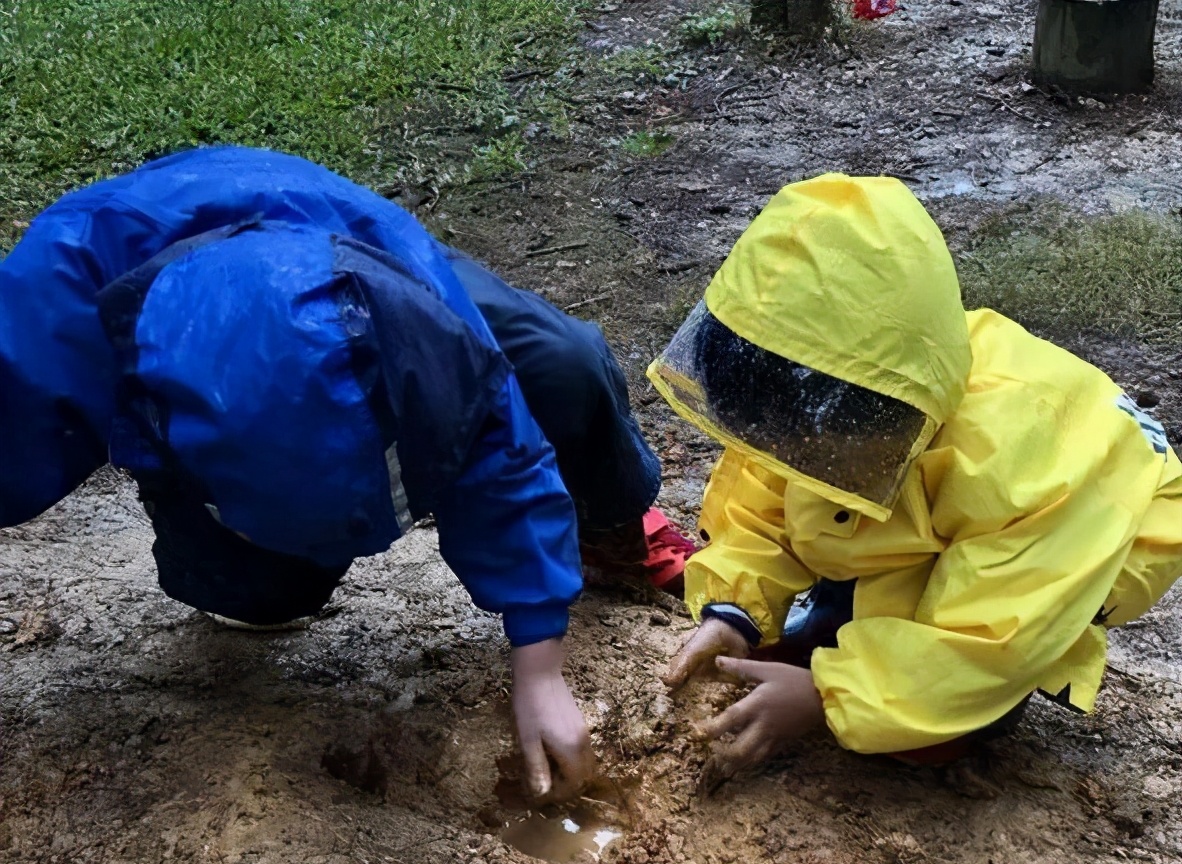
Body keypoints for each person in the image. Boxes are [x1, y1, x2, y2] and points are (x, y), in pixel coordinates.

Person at [0, 146, 695, 796]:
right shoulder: (40, 337)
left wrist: (539, 660)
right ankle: (248, 561)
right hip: (158, 338)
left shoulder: (415, 315)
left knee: (561, 366)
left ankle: (611, 524)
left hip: (346, 250)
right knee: (263, 589)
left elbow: (499, 441)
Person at [656, 173, 1182, 774]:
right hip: (966, 487)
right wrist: (734, 610)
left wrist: (827, 696)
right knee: (854, 522)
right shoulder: (812, 382)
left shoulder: (1017, 469)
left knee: (924, 737)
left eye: (813, 451)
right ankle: (858, 624)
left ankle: (929, 669)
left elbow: (990, 641)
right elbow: (761, 498)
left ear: (887, 420)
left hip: (1097, 522)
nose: (789, 458)